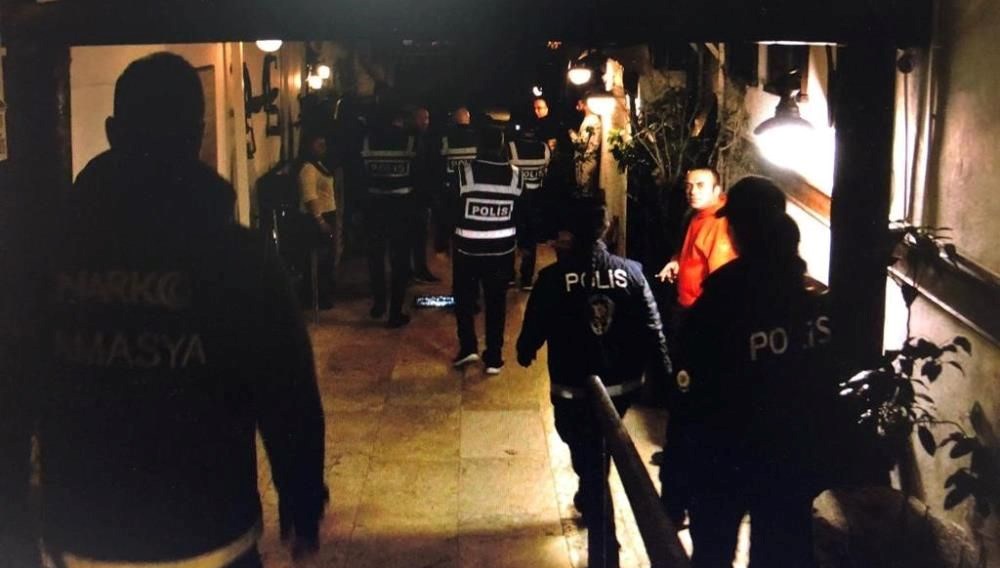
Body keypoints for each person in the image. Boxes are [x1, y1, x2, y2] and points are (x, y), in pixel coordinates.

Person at [3, 52, 327, 567]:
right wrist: (302, 496)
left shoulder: (46, 258)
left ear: (112, 132)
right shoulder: (240, 258)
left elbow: (14, 390)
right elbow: (287, 391)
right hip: (209, 529)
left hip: (86, 533)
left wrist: (14, 527)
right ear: (197, 134)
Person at [663, 176, 831, 568]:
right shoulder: (812, 303)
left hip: (724, 461)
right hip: (789, 462)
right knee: (782, 553)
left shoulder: (720, 302)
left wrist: (675, 484)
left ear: (737, 230)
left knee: (713, 552)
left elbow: (689, 398)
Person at [516, 198, 672, 568]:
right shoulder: (632, 273)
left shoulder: (553, 279)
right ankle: (591, 489)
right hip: (622, 387)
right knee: (599, 449)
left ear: (570, 234)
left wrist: (526, 348)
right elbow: (653, 327)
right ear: (606, 230)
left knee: (585, 450)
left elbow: (535, 325)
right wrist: (664, 370)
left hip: (573, 388)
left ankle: (604, 545)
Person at [450, 126, 521, 374]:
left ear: (478, 145)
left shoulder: (464, 173)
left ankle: (468, 347)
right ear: (501, 145)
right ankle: (493, 357)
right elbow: (522, 213)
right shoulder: (515, 175)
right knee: (496, 303)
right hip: (502, 253)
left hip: (467, 251)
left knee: (464, 300)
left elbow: (450, 209)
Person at [360, 108, 417, 328]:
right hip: (402, 209)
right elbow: (419, 176)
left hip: (373, 208)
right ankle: (395, 313)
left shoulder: (368, 141)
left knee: (375, 258)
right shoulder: (409, 141)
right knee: (399, 262)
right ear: (399, 119)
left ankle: (379, 305)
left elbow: (359, 176)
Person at [655, 166, 737, 309]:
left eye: (700, 185)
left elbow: (721, 280)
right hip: (687, 302)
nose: (692, 192)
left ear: (716, 190)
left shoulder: (719, 222)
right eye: (689, 186)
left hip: (702, 309)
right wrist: (678, 261)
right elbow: (694, 250)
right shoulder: (698, 214)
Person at [298, 130, 338, 309]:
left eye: (324, 145)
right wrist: (320, 221)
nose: (323, 148)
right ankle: (316, 296)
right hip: (316, 219)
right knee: (319, 260)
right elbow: (310, 197)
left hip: (328, 214)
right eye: (318, 145)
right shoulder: (308, 169)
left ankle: (324, 293)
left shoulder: (319, 165)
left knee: (327, 259)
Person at [508, 128, 551, 290]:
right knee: (530, 240)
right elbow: (545, 171)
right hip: (535, 201)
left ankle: (509, 276)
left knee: (511, 238)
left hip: (516, 199)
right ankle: (527, 278)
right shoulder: (544, 148)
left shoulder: (511, 148)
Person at [437, 105, 478, 253]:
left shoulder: (446, 138)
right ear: (468, 119)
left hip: (451, 186)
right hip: (471, 186)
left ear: (454, 120)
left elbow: (439, 162)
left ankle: (444, 248)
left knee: (449, 219)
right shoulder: (477, 138)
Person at [408, 106, 440, 282]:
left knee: (420, 235)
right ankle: (415, 270)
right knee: (416, 234)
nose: (425, 122)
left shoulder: (426, 139)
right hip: (415, 195)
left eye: (427, 118)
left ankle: (417, 269)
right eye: (422, 118)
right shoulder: (415, 140)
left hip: (419, 195)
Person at [569, 99, 601, 192]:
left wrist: (571, 133)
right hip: (586, 161)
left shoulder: (591, 121)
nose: (578, 103)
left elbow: (581, 144)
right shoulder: (590, 119)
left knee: (585, 190)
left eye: (581, 101)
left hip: (586, 161)